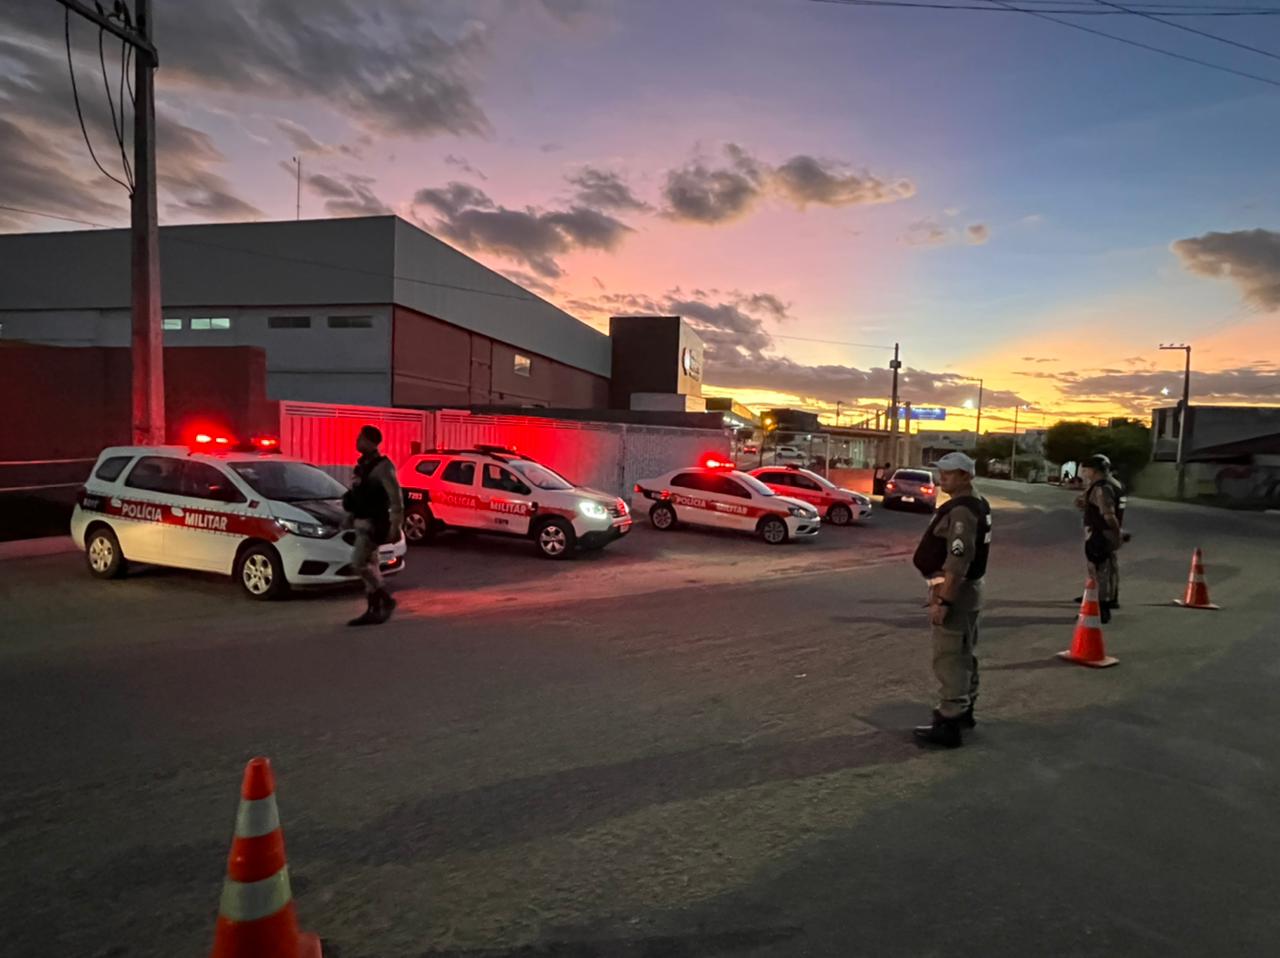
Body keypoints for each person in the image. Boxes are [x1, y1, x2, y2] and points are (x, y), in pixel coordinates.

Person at [910, 452, 992, 749]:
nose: (941, 477)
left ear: (966, 476)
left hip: (955, 591)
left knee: (949, 658)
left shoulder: (963, 510)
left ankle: (949, 722)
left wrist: (943, 601)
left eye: (949, 473)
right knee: (963, 653)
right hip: (969, 591)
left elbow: (959, 560)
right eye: (941, 472)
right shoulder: (977, 503)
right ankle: (965, 708)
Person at [341, 425, 404, 627]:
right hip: (361, 521)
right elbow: (356, 494)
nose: (357, 441)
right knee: (371, 566)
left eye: (360, 438)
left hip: (373, 523)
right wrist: (349, 515)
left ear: (369, 441)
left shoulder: (383, 467)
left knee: (358, 563)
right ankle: (373, 609)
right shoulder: (363, 466)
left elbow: (396, 498)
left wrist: (395, 525)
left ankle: (385, 598)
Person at [1075, 453, 1123, 623]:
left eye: (1086, 470)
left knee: (1098, 571)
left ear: (1094, 470)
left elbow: (1108, 515)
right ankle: (1104, 601)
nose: (1084, 473)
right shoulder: (1111, 484)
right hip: (1103, 532)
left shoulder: (1102, 488)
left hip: (1100, 533)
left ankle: (1100, 608)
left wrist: (1117, 535)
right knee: (1105, 569)